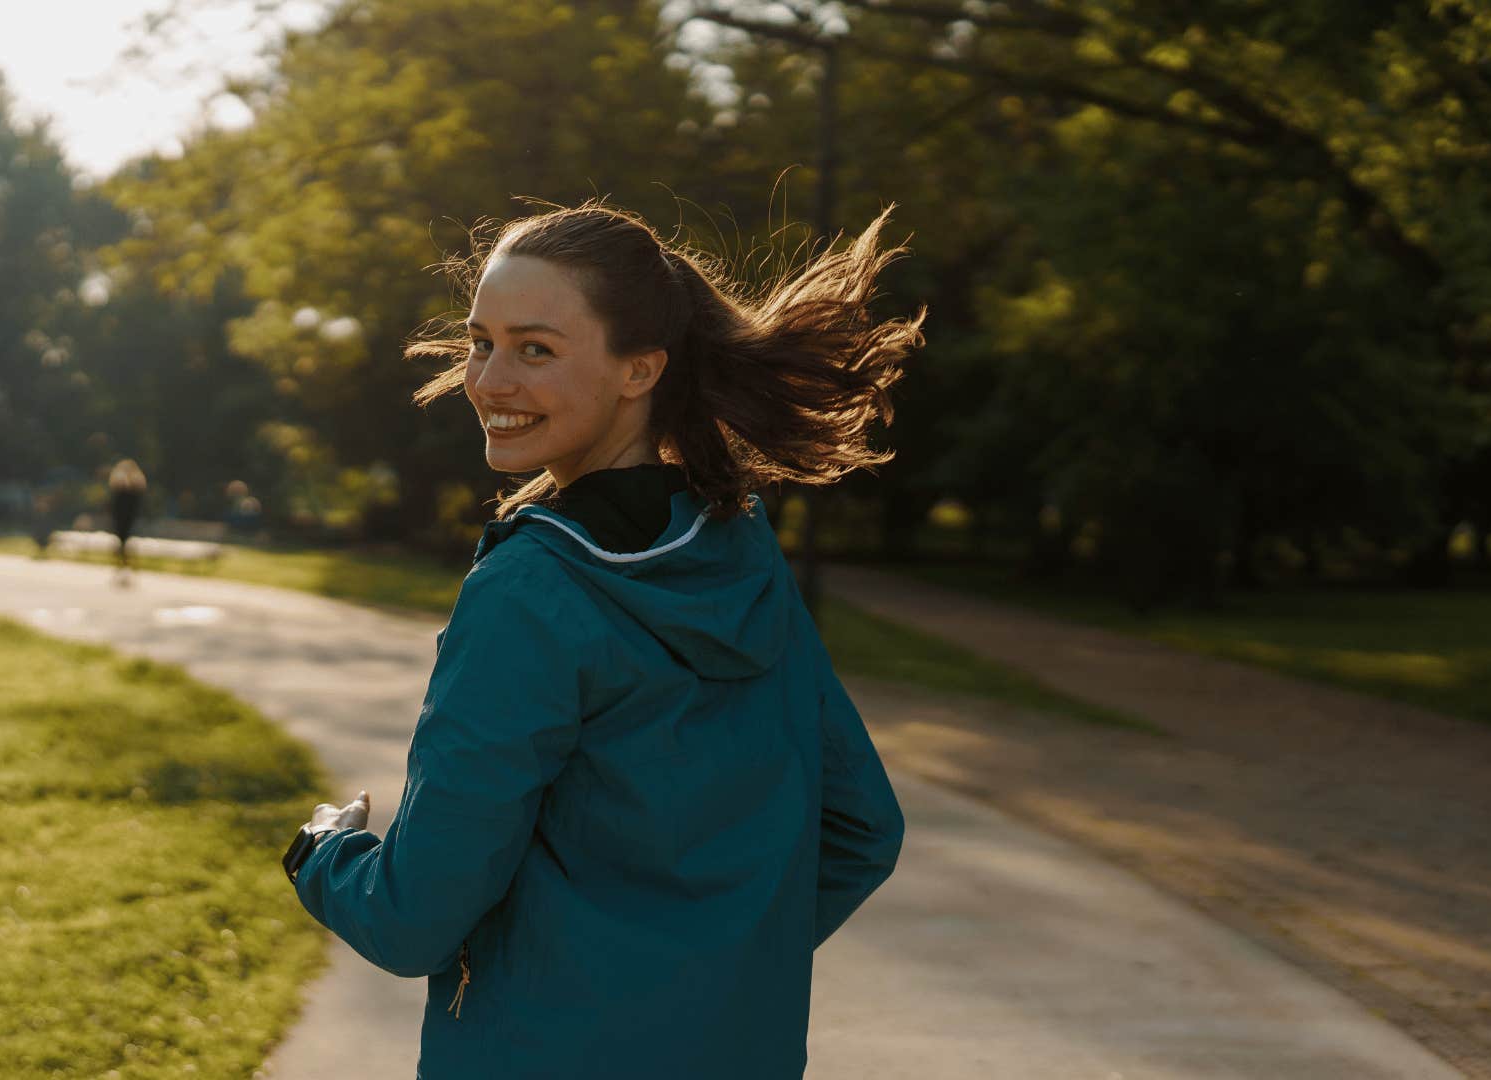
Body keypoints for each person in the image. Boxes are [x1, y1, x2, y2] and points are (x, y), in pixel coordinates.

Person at [285, 198, 922, 1078]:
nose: (488, 381)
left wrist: (323, 852)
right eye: (481, 342)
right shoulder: (739, 550)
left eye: (534, 349)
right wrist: (697, 974)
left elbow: (412, 919)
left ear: (640, 370)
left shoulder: (527, 592)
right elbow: (861, 830)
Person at [107, 458, 146, 577]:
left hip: (128, 518)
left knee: (125, 541)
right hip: (122, 518)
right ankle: (124, 563)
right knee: (122, 541)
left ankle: (126, 563)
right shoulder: (119, 486)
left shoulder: (135, 487)